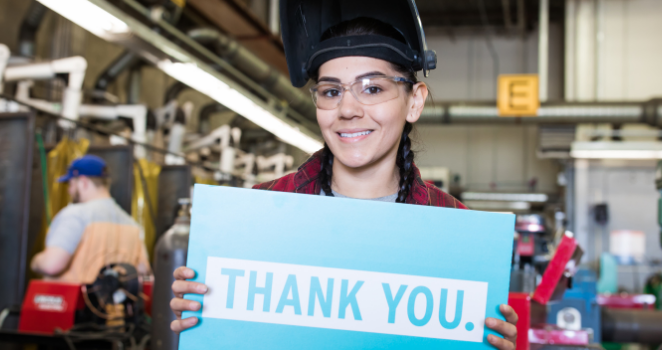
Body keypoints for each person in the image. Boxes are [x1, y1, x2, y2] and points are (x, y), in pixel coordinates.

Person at [169, 1, 518, 348]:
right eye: (332, 91)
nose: (348, 109)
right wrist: (204, 310)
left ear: (414, 101)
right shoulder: (256, 215)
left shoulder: (457, 231)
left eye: (373, 88)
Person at [31, 155, 152, 284]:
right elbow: (144, 272)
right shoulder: (131, 224)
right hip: (112, 303)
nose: (69, 190)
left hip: (68, 301)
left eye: (71, 184)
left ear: (83, 182)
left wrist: (36, 261)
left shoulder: (76, 214)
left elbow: (52, 265)